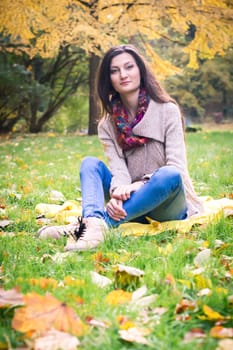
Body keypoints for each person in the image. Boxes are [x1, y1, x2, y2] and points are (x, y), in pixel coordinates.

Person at [38, 44, 204, 250]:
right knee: (90, 164)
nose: (123, 75)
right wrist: (117, 193)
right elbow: (118, 170)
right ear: (109, 80)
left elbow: (177, 167)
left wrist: (138, 185)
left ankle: (90, 227)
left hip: (167, 204)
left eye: (129, 67)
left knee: (169, 174)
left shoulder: (167, 111)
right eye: (114, 71)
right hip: (131, 204)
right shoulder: (107, 125)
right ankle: (93, 222)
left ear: (140, 71)